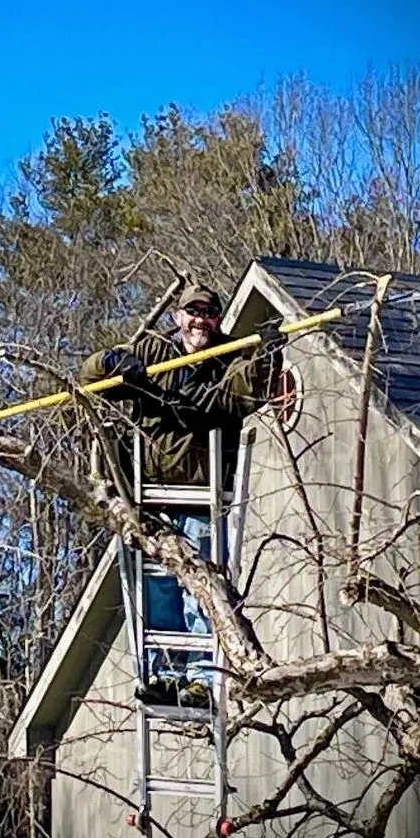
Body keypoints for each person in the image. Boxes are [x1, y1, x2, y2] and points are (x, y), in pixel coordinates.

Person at [80, 283, 285, 707]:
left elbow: (250, 386)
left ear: (218, 319)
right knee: (158, 595)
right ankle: (163, 675)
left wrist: (267, 354)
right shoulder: (153, 355)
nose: (200, 320)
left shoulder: (227, 355)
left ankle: (200, 679)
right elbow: (91, 375)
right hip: (150, 498)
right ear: (178, 316)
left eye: (209, 313)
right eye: (192, 312)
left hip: (203, 496)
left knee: (201, 592)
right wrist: (116, 362)